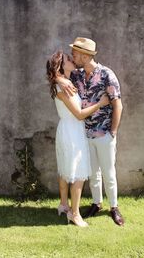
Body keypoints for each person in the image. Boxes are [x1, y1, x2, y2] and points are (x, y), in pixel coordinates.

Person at [58, 37, 125, 226]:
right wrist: (57, 79)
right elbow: (55, 73)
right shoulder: (77, 75)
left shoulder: (106, 75)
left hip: (104, 133)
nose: (73, 56)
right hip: (84, 134)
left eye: (75, 54)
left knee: (108, 172)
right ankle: (97, 204)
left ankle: (114, 207)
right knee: (93, 172)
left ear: (86, 56)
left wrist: (113, 131)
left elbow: (118, 105)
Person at [46, 51, 109, 227]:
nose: (72, 59)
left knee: (66, 169)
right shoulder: (61, 87)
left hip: (71, 129)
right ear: (60, 65)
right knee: (78, 173)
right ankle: (75, 214)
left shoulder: (68, 81)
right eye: (68, 59)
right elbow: (79, 114)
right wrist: (100, 104)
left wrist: (59, 78)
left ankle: (63, 205)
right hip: (71, 130)